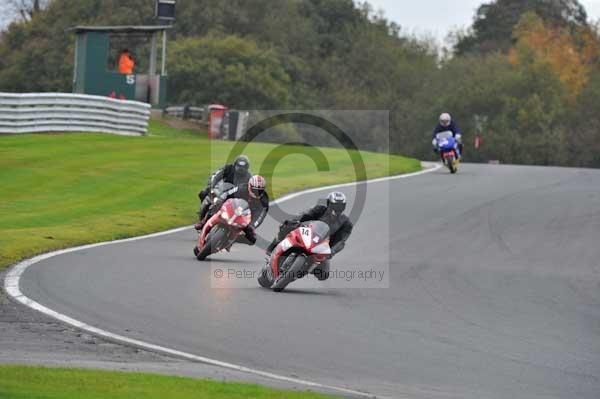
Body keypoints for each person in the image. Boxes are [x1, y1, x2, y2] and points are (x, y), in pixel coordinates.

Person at [266, 191, 353, 281]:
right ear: (328, 203)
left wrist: (332, 251)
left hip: (323, 248)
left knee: (323, 275)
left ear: (344, 207)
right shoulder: (320, 209)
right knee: (288, 225)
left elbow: (342, 241)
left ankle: (303, 270)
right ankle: (273, 246)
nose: (337, 208)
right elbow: (305, 215)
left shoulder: (346, 223)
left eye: (340, 206)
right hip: (307, 234)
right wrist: (295, 220)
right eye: (335, 205)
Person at [195, 155, 252, 230]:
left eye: (243, 167)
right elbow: (216, 176)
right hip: (222, 191)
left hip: (235, 198)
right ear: (235, 165)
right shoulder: (228, 168)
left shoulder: (248, 177)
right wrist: (211, 186)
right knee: (204, 193)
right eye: (239, 166)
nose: (241, 169)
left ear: (247, 168)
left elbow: (249, 191)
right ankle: (202, 220)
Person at [211, 175, 269, 246]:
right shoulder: (242, 188)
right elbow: (229, 192)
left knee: (252, 240)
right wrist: (220, 199)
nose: (257, 193)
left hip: (247, 217)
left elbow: (260, 216)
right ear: (249, 186)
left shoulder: (264, 200)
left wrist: (252, 226)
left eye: (260, 191)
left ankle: (233, 239)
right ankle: (203, 223)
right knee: (213, 208)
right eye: (255, 190)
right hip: (234, 208)